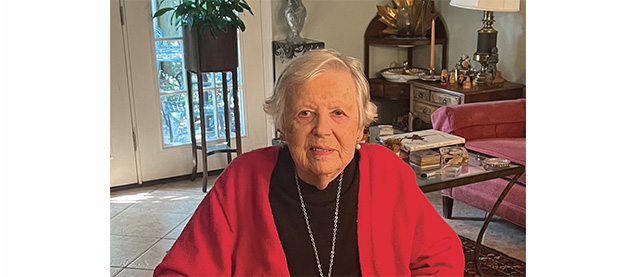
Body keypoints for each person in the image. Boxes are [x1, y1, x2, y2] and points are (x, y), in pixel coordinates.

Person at [154, 49, 464, 276]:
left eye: (338, 113)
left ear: (361, 128)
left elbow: (442, 258)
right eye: (305, 113)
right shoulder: (243, 180)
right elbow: (179, 272)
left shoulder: (388, 173)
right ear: (282, 126)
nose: (321, 130)